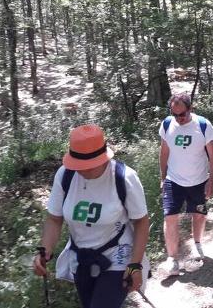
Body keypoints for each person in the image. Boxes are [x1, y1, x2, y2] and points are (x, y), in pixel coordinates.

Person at [33, 124, 149, 308]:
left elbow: (141, 222)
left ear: (103, 159)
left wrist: (135, 265)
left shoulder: (124, 178)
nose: (82, 170)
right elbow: (54, 219)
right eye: (78, 165)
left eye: (88, 166)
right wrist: (45, 250)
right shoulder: (65, 176)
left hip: (119, 256)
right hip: (81, 259)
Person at [159, 93, 213, 276]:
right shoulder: (167, 124)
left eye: (182, 114)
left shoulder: (203, 125)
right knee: (170, 217)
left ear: (190, 109)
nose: (179, 118)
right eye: (174, 114)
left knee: (199, 215)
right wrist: (162, 178)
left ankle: (198, 244)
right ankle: (172, 259)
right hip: (173, 180)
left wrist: (211, 180)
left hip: (198, 180)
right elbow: (164, 151)